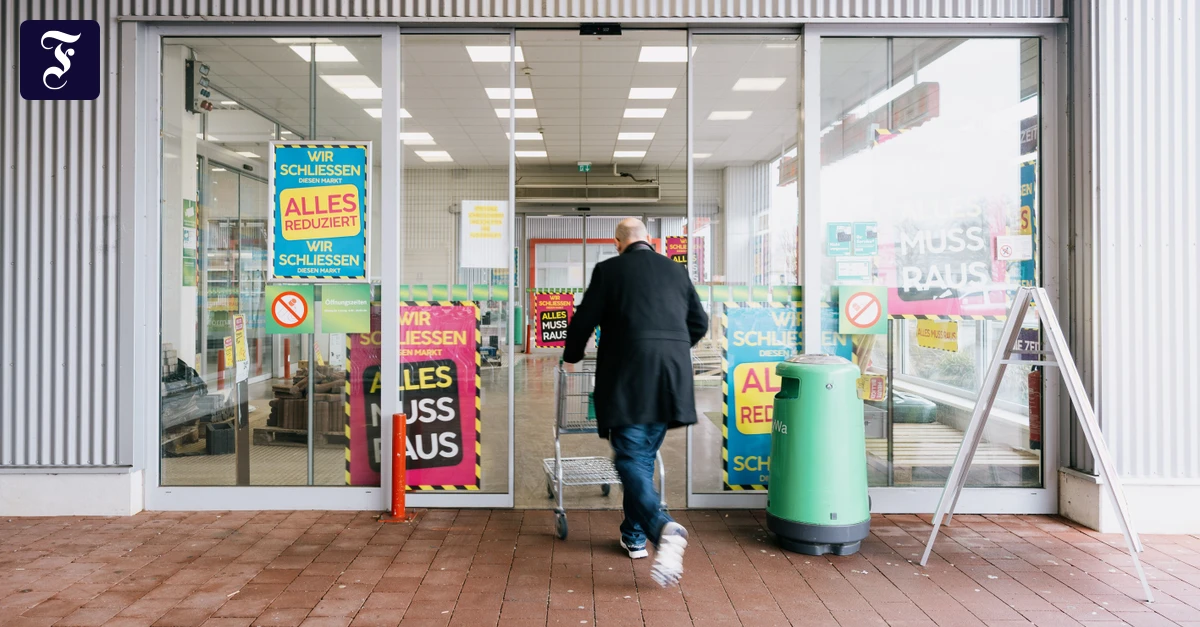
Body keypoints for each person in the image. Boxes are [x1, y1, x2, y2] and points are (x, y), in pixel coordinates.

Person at [563, 217, 709, 588]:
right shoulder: (675, 272)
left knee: (630, 459)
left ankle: (663, 528)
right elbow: (699, 322)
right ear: (650, 241)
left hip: (629, 377)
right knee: (641, 459)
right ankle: (633, 534)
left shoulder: (609, 270)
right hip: (670, 380)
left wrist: (572, 356)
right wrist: (670, 348)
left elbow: (583, 321)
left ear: (618, 243)